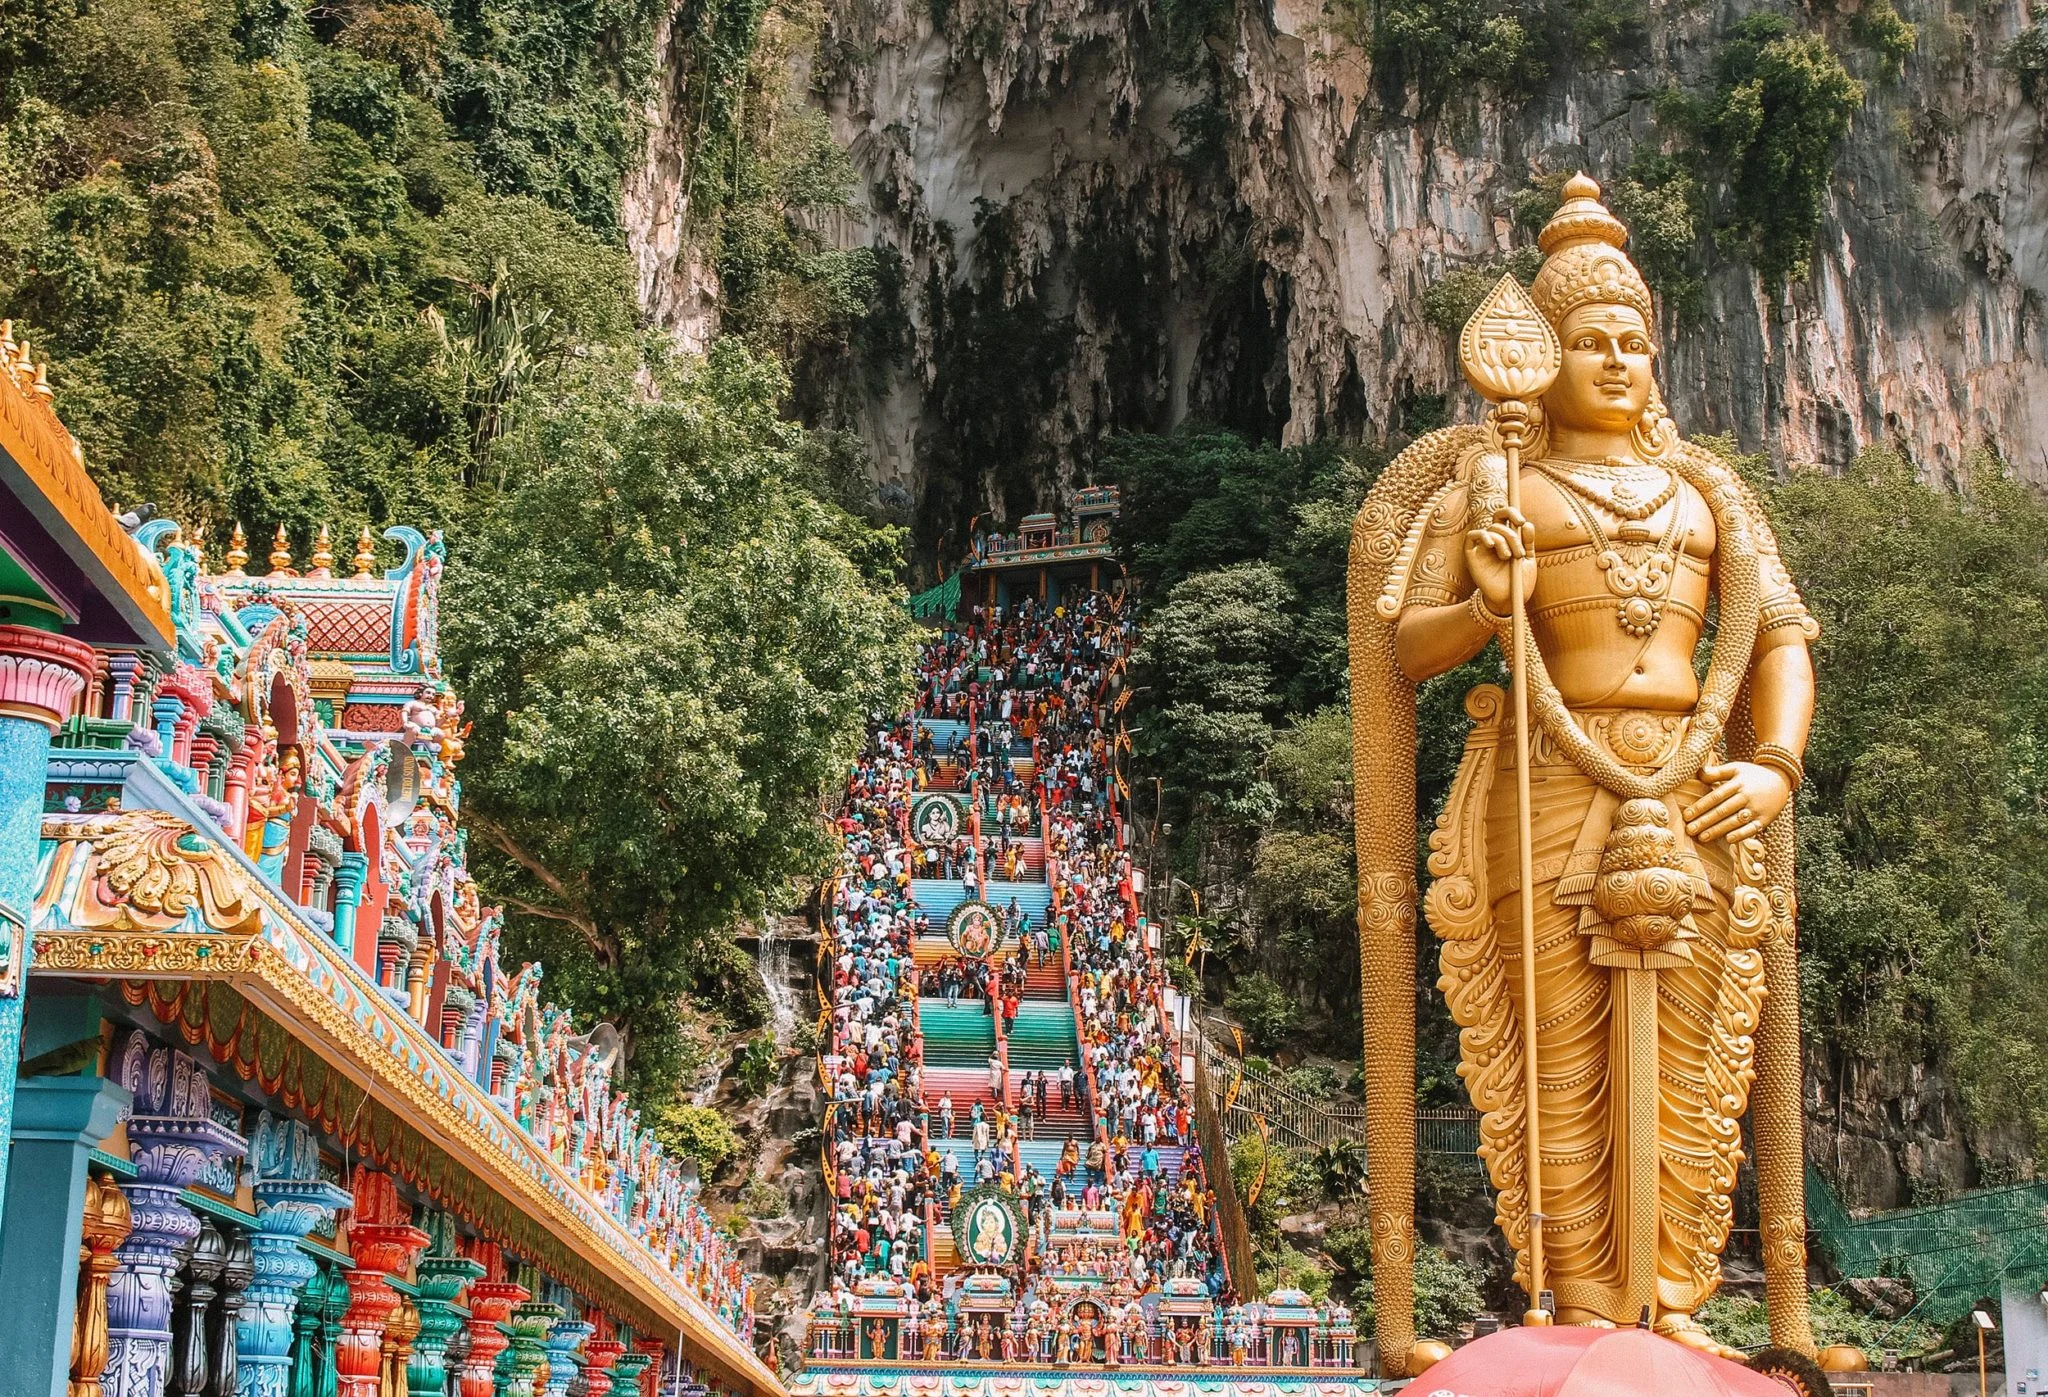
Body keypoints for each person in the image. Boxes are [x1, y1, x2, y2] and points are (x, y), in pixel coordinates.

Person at [1356, 174, 1821, 1354]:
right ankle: (1572, 1306)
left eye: (1633, 340)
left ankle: (1674, 1303)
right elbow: (1401, 644)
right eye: (1588, 340)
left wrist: (1771, 764)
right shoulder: (1492, 480)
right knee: (1552, 1061)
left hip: (1696, 783)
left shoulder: (1709, 488)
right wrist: (1481, 596)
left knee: (1697, 1048)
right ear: (1538, 356)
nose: (1615, 360)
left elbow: (1776, 637)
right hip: (1546, 783)